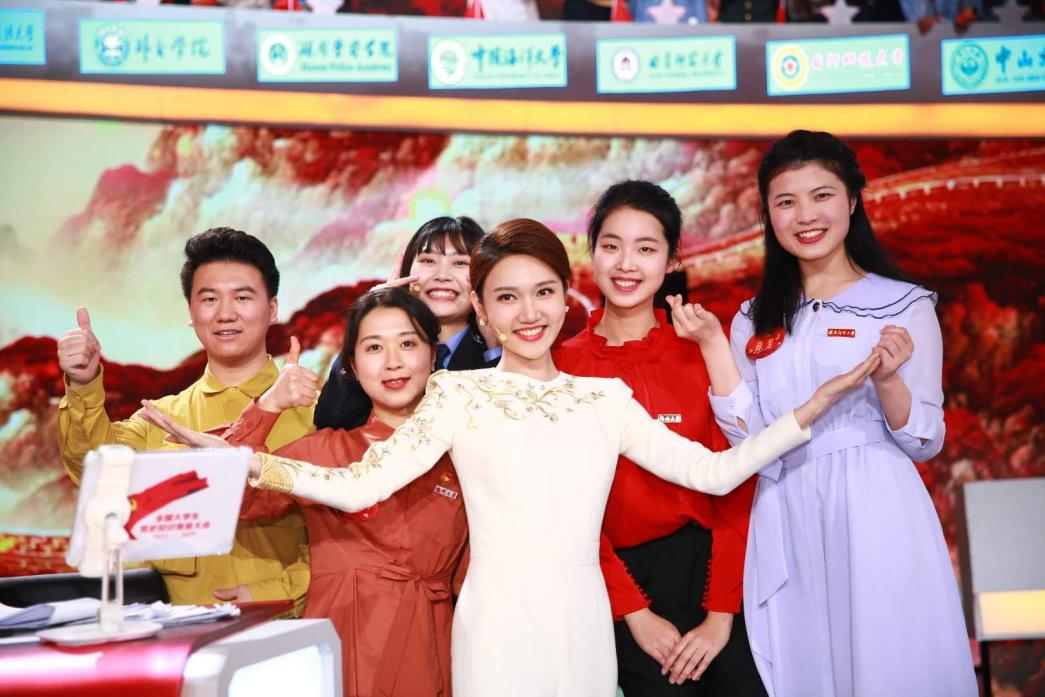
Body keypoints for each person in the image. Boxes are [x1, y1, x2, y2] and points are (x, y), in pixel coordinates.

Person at [158, 219, 877, 697]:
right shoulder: (456, 394)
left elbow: (711, 472)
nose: (527, 312)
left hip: (583, 625)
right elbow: (358, 485)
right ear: (482, 309)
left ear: (566, 300)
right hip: (493, 627)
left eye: (542, 293)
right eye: (506, 297)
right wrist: (248, 463)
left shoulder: (605, 398)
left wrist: (810, 410)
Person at [709, 130, 977, 696]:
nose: (805, 215)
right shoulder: (752, 318)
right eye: (786, 202)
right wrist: (712, 347)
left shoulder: (903, 304)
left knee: (884, 659)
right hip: (783, 505)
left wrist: (888, 382)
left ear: (852, 201)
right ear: (768, 215)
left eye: (822, 195)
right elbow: (747, 440)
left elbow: (925, 439)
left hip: (873, 502)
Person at [145, 287, 468, 697]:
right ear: (352, 365)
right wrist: (267, 407)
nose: (393, 362)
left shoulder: (464, 456)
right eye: (374, 347)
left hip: (430, 650)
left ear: (433, 355)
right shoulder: (323, 451)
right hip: (338, 639)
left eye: (408, 343)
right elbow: (236, 502)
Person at [555, 181, 767, 695]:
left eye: (646, 249)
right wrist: (634, 612)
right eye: (612, 246)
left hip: (713, 578)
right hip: (616, 585)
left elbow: (739, 481)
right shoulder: (561, 367)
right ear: (591, 251)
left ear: (672, 261)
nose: (626, 264)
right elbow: (563, 509)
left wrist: (720, 616)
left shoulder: (701, 351)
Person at [56, 227, 312, 610]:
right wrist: (83, 383)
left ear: (272, 309)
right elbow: (94, 466)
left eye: (242, 297)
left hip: (285, 624)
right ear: (191, 313)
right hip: (177, 631)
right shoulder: (161, 418)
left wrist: (274, 591)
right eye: (209, 299)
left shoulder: (317, 413)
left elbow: (350, 540)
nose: (225, 313)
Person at [314, 216, 499, 432]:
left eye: (460, 263)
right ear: (406, 270)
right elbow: (332, 418)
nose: (442, 275)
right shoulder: (377, 349)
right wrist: (370, 315)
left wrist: (493, 348)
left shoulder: (496, 352)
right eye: (428, 261)